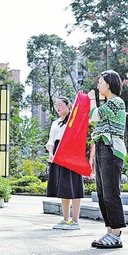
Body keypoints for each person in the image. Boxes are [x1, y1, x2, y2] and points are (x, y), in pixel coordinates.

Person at [89, 70, 127, 249]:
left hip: (111, 150)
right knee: (103, 194)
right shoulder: (108, 103)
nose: (98, 85)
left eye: (101, 82)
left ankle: (116, 234)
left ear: (109, 84)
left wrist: (89, 101)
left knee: (111, 193)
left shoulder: (116, 102)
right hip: (103, 148)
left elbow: (94, 115)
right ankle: (110, 231)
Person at [46, 96, 84, 230]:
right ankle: (65, 219)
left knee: (74, 186)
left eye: (61, 105)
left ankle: (75, 221)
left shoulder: (73, 121)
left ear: (69, 106)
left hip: (72, 154)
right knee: (63, 187)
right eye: (56, 105)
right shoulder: (55, 122)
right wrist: (51, 153)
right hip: (58, 155)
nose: (58, 107)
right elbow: (51, 141)